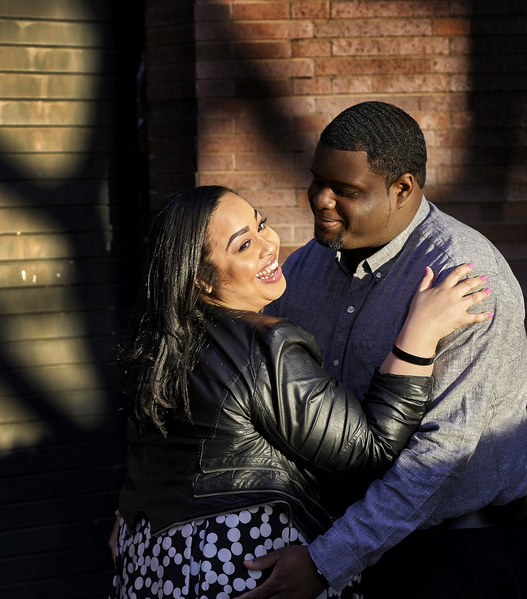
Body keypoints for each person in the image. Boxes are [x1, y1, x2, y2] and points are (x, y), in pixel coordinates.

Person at [109, 185, 491, 599]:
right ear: (201, 278)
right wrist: (420, 334)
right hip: (242, 569)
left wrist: (127, 513)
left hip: (150, 560)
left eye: (261, 225)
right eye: (243, 245)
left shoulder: (158, 344)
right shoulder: (264, 345)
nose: (268, 245)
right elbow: (371, 448)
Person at [239, 101, 527, 599]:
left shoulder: (467, 279)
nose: (320, 200)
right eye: (316, 180)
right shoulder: (306, 268)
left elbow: (440, 455)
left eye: (346, 191)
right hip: (341, 536)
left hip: (462, 558)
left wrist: (326, 562)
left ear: (403, 189)